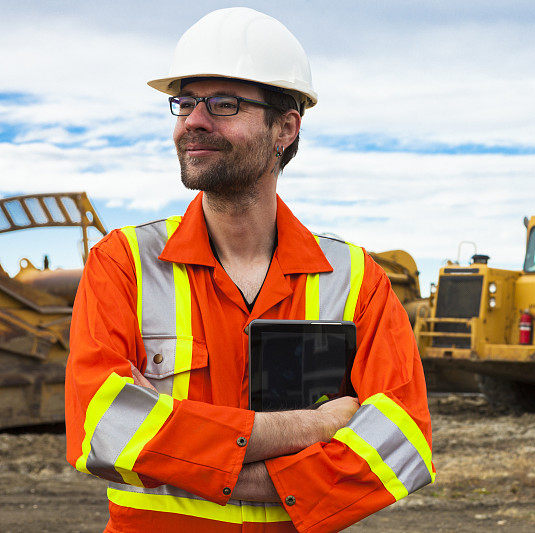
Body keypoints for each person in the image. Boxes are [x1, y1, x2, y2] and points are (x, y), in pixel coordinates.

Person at [64, 8, 434, 532]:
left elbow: (402, 442)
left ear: (285, 127)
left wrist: (189, 458)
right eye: (185, 103)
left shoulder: (355, 280)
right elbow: (102, 426)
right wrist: (307, 427)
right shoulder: (123, 264)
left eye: (224, 104)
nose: (193, 120)